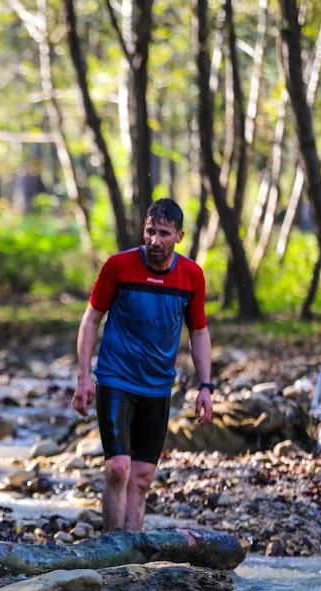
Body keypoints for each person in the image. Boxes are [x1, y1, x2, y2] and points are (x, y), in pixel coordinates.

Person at [71, 198, 214, 532]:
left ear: (179, 235)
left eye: (164, 233)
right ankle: (111, 550)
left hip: (158, 386)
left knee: (143, 476)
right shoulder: (118, 267)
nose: (155, 240)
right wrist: (84, 378)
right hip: (115, 380)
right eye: (150, 231)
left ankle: (131, 557)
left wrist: (206, 387)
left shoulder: (191, 276)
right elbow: (91, 320)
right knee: (118, 469)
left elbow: (199, 331)